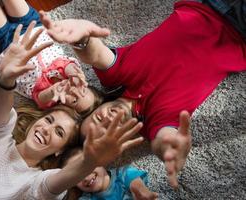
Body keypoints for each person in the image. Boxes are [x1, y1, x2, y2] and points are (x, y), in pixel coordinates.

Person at [39, 0, 246, 189]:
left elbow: (98, 54)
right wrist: (169, 150)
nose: (103, 120)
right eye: (104, 132)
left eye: (95, 118)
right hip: (239, 35)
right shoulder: (155, 121)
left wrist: (82, 39)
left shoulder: (116, 77)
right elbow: (164, 137)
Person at [0, 20, 145, 199]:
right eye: (49, 121)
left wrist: (90, 162)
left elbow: (57, 183)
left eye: (59, 132)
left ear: (59, 151)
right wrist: (6, 78)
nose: (47, 129)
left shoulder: (36, 182)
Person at [0, 0, 103, 115]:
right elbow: (65, 64)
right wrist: (74, 75)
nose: (74, 92)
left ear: (65, 109)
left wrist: (54, 91)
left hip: (7, 43)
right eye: (83, 91)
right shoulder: (72, 71)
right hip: (33, 26)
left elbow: (42, 98)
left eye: (75, 100)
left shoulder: (48, 101)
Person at [60, 147, 159, 200]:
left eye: (86, 166)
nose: (85, 178)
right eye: (76, 177)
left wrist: (141, 191)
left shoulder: (122, 173)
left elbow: (135, 183)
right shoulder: (86, 198)